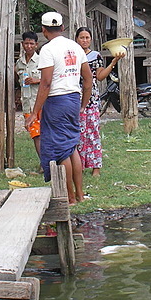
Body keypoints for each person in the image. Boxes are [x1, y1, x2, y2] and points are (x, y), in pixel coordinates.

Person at [26, 12, 93, 204]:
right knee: (72, 147)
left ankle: (70, 197)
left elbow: (45, 83)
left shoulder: (47, 50)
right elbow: (88, 80)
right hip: (73, 99)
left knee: (60, 150)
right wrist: (82, 104)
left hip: (56, 101)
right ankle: (80, 194)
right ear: (63, 28)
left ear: (43, 30)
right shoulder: (75, 46)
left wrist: (34, 113)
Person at [74, 26, 124, 177]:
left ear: (91, 39)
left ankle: (96, 166)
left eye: (87, 37)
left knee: (93, 132)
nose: (84, 40)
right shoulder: (73, 55)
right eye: (81, 37)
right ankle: (79, 165)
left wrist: (114, 62)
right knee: (78, 133)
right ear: (76, 39)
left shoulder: (95, 56)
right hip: (75, 97)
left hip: (92, 99)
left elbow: (100, 76)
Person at [16, 31, 42, 158]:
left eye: (31, 43)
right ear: (22, 44)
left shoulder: (42, 61)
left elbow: (51, 80)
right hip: (28, 103)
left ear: (36, 45)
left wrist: (37, 80)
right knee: (35, 134)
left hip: (42, 103)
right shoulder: (19, 63)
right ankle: (44, 163)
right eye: (26, 43)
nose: (29, 46)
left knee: (45, 134)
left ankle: (49, 162)